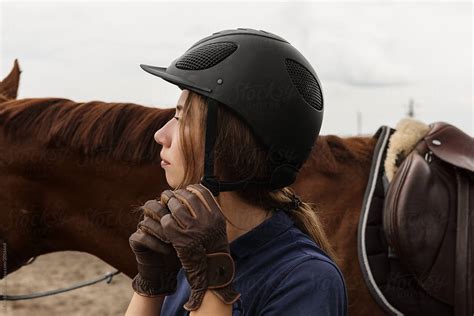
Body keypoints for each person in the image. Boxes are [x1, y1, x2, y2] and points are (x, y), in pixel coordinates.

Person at [125, 28, 348, 316]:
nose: (160, 134)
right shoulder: (192, 250)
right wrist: (150, 286)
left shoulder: (306, 280)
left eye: (182, 118)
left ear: (230, 145)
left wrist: (214, 278)